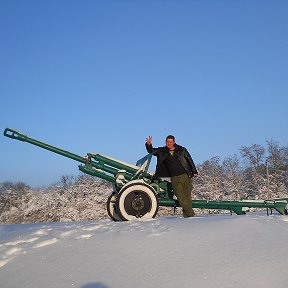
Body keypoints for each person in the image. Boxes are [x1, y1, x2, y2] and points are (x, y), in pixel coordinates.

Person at [145, 135, 198, 217]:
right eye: (167, 142)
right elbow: (151, 151)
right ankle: (191, 214)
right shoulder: (162, 151)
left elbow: (189, 159)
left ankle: (187, 217)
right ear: (165, 142)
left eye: (170, 142)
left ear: (174, 142)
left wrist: (194, 171)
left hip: (185, 175)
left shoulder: (182, 149)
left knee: (187, 196)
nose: (169, 143)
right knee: (180, 195)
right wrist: (149, 144)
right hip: (174, 177)